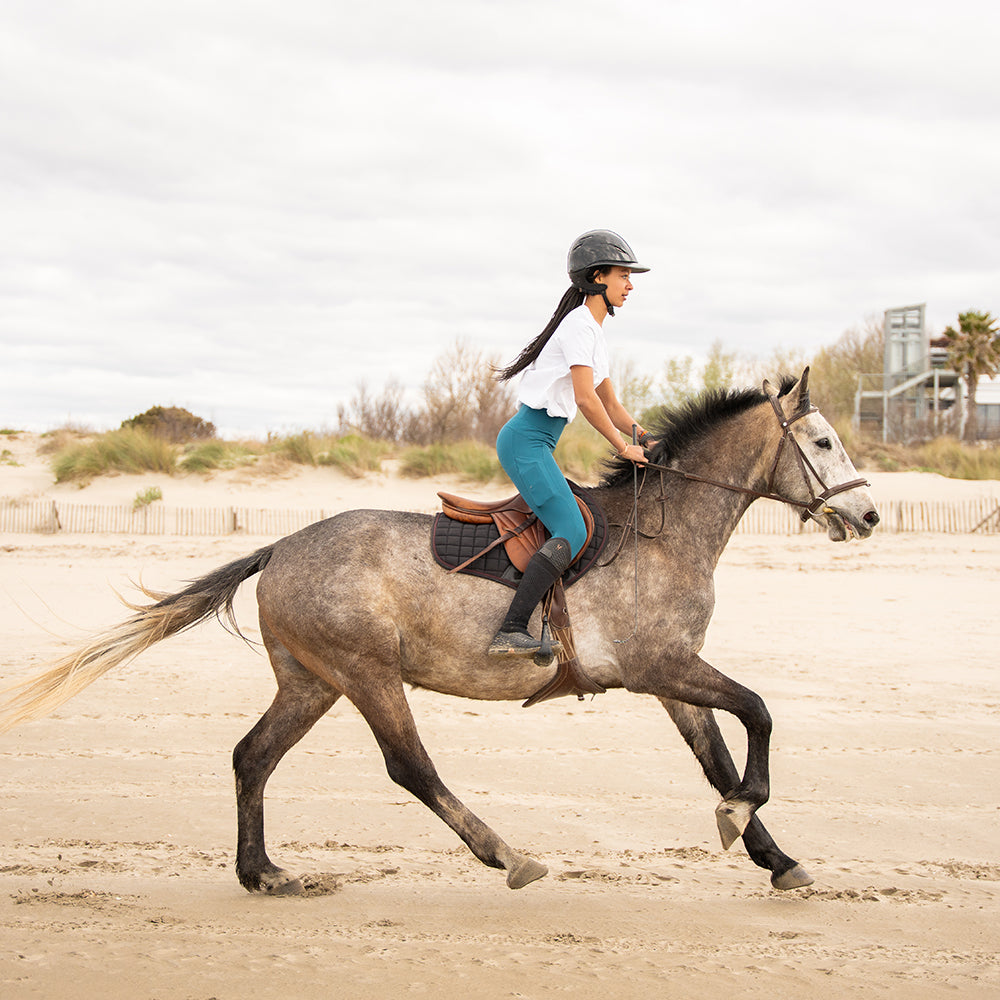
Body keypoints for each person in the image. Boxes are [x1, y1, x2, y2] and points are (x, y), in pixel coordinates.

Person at [488, 229, 653, 660]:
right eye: (623, 275)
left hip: (538, 442)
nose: (630, 284)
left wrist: (645, 437)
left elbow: (612, 403)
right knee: (573, 529)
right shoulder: (579, 326)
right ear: (597, 276)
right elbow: (585, 399)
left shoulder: (593, 332)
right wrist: (621, 448)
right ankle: (509, 629)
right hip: (527, 443)